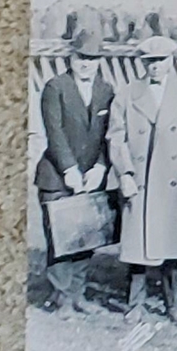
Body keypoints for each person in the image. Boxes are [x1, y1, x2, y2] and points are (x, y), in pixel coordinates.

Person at [108, 37, 177, 323]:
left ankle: (172, 304)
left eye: (161, 60)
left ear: (171, 61)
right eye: (150, 61)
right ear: (143, 63)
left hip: (175, 179)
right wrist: (125, 174)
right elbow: (116, 138)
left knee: (172, 246)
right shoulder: (127, 94)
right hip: (140, 182)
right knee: (137, 247)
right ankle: (135, 304)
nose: (155, 67)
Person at [35, 31, 113, 314]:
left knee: (85, 238)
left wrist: (101, 167)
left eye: (92, 59)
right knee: (60, 238)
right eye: (81, 57)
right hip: (56, 177)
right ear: (71, 57)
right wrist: (69, 169)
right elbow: (53, 132)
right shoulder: (55, 87)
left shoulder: (107, 90)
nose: (86, 64)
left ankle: (78, 294)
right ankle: (61, 298)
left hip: (92, 176)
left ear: (100, 61)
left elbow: (110, 135)